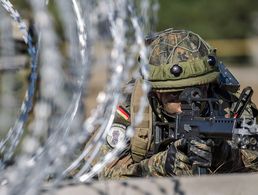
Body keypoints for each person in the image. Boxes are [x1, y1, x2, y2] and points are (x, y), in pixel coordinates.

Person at [93, 29, 258, 179]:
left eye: (195, 91)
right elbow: (100, 172)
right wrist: (162, 165)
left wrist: (224, 155)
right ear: (155, 91)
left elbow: (254, 159)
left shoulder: (230, 107)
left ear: (207, 84)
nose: (184, 105)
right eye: (174, 94)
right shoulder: (131, 109)